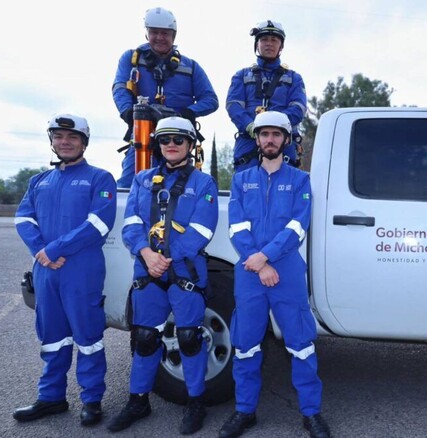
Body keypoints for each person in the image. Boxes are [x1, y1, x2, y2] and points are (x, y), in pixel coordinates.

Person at [220, 111, 330, 438]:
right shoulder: (241, 180)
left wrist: (265, 257)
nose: (270, 140)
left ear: (285, 140)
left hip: (286, 272)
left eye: (276, 135)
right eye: (264, 134)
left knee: (301, 344)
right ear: (257, 140)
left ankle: (311, 414)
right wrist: (258, 262)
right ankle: (244, 412)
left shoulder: (299, 180)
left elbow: (298, 226)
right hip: (251, 272)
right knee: (246, 345)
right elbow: (237, 226)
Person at [107, 116, 218, 435]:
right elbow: (131, 224)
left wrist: (166, 257)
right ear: (157, 144)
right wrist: (146, 253)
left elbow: (202, 228)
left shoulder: (203, 183)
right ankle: (138, 401)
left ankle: (196, 402)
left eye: (179, 140)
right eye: (165, 139)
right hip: (148, 270)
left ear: (190, 145)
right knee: (145, 338)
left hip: (184, 271)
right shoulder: (142, 181)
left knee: (190, 338)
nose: (171, 145)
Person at [14, 113, 117, 427]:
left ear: (84, 141)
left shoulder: (100, 178)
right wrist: (40, 252)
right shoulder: (39, 181)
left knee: (88, 337)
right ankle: (51, 398)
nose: (65, 142)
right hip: (46, 270)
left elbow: (98, 224)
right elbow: (23, 219)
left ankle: (92, 399)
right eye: (58, 136)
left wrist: (54, 250)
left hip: (81, 271)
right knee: (52, 337)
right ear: (52, 141)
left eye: (72, 137)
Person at [113, 6, 219, 188]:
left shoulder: (191, 67)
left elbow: (210, 99)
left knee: (181, 184)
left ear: (173, 35)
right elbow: (120, 87)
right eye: (154, 32)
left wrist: (188, 113)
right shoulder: (131, 59)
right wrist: (128, 112)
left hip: (177, 136)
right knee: (129, 183)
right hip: (143, 133)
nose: (160, 37)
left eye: (165, 33)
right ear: (147, 33)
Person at [226, 20, 307, 172]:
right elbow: (233, 106)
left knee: (285, 190)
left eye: (274, 40)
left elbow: (298, 109)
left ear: (281, 46)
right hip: (248, 142)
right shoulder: (241, 76)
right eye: (264, 40)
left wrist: (274, 126)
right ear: (257, 44)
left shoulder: (295, 78)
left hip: (283, 143)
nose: (269, 44)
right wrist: (251, 126)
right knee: (245, 189)